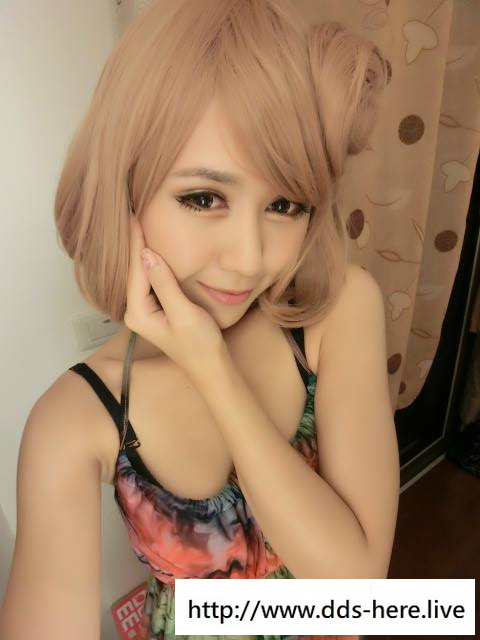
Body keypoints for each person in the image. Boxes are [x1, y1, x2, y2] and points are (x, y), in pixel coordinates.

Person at [0, 1, 399, 639]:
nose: (249, 258)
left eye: (286, 204)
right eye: (204, 197)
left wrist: (212, 369)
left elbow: (359, 588)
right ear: (125, 192)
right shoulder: (76, 418)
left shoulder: (339, 310)